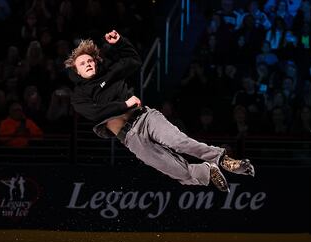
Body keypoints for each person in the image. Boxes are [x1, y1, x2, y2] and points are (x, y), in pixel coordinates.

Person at [64, 30, 255, 192]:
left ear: (96, 62)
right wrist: (124, 104)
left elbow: (134, 61)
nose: (88, 64)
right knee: (175, 170)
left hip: (145, 118)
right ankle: (208, 171)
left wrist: (121, 42)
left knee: (179, 142)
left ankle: (224, 160)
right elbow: (96, 114)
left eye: (90, 60)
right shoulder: (79, 96)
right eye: (82, 63)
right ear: (76, 71)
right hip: (130, 138)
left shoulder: (110, 73)